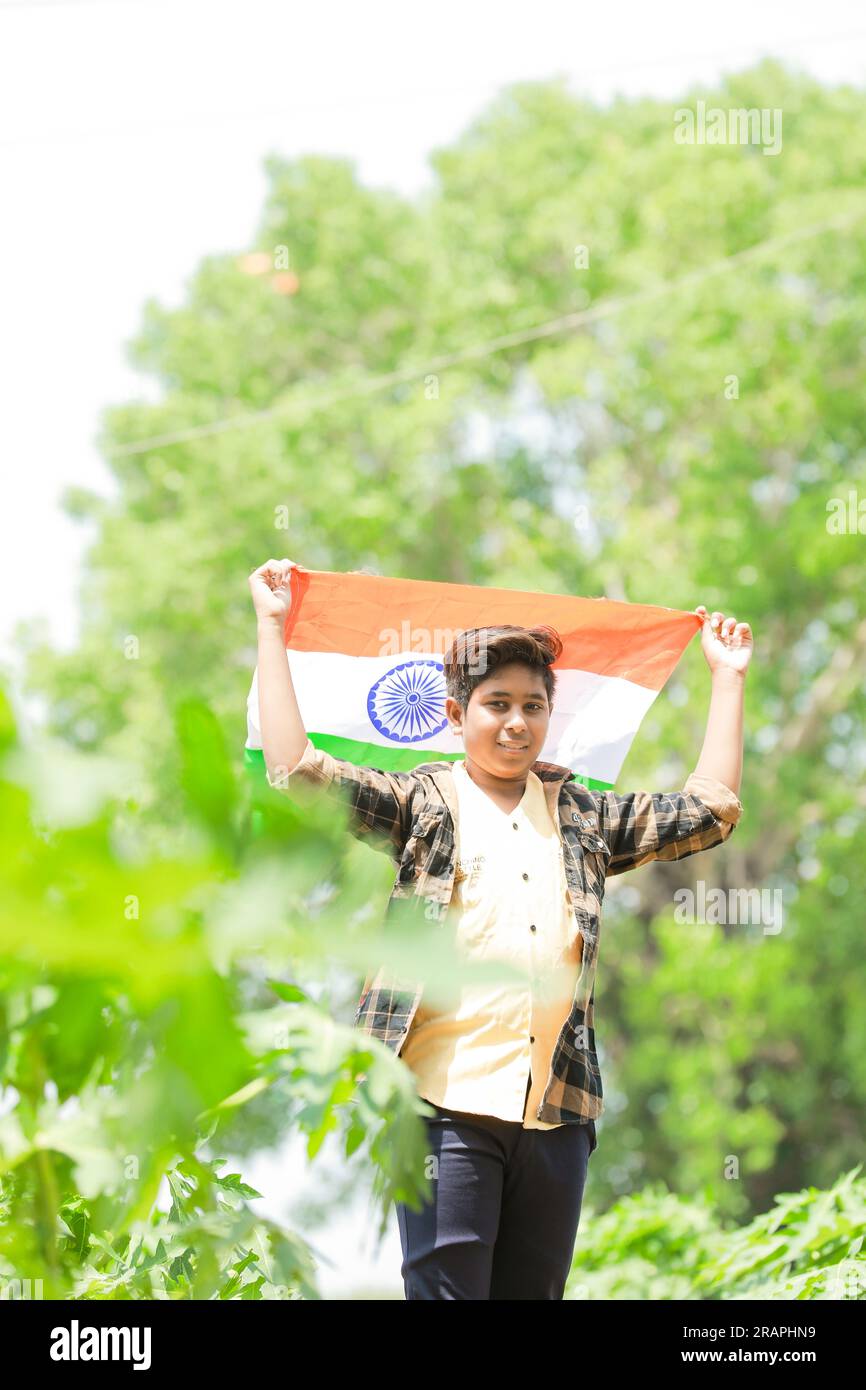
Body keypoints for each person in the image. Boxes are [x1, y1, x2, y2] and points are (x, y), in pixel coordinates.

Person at [250, 558, 751, 1299]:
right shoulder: (425, 804)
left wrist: (728, 676)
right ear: (457, 715)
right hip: (440, 1110)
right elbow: (297, 771)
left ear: (551, 715)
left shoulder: (581, 815)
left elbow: (710, 811)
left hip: (558, 1115)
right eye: (496, 704)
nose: (517, 723)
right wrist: (270, 623)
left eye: (533, 706)